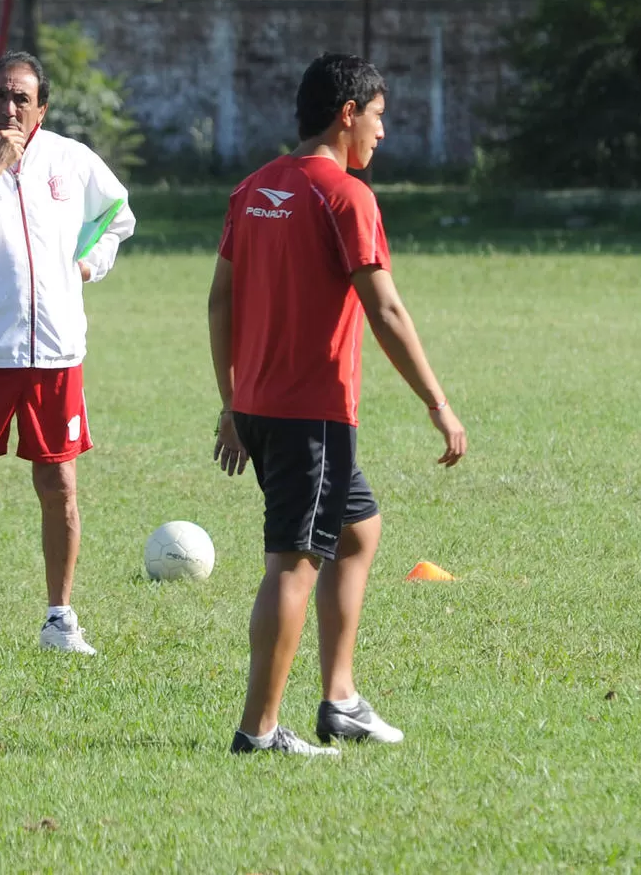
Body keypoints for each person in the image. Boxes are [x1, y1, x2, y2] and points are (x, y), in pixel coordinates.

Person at [207, 52, 466, 755]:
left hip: (263, 407)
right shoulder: (345, 196)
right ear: (346, 113)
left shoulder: (255, 188)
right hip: (310, 415)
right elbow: (384, 308)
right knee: (293, 562)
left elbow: (219, 299)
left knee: (359, 530)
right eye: (378, 116)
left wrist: (232, 402)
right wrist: (438, 403)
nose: (382, 132)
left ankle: (341, 700)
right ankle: (258, 732)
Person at [0, 49, 135, 657]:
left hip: (55, 353)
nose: (9, 108)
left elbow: (117, 214)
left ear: (42, 106)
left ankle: (59, 620)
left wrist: (92, 259)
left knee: (59, 484)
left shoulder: (70, 159)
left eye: (21, 97)